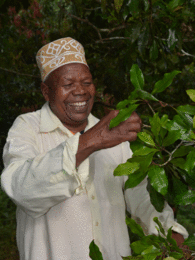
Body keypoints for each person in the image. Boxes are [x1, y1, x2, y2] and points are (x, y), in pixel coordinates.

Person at [1, 37, 188, 260]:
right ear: (46, 91)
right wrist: (91, 141)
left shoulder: (113, 137)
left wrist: (173, 237)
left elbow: (143, 199)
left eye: (87, 82)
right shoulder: (28, 128)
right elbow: (21, 189)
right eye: (68, 84)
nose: (80, 91)